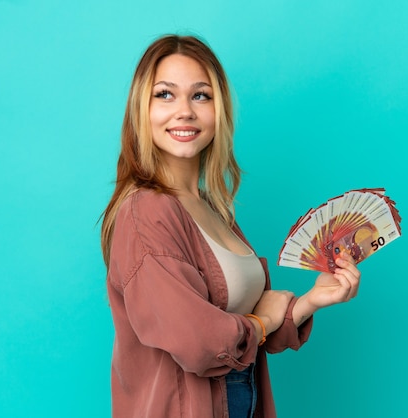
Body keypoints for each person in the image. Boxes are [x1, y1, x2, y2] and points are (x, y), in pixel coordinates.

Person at [100, 34, 361, 418]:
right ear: (141, 108)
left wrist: (309, 301)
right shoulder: (147, 211)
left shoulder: (213, 210)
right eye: (165, 95)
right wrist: (262, 321)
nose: (185, 111)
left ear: (218, 109)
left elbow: (239, 315)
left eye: (201, 95)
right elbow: (197, 339)